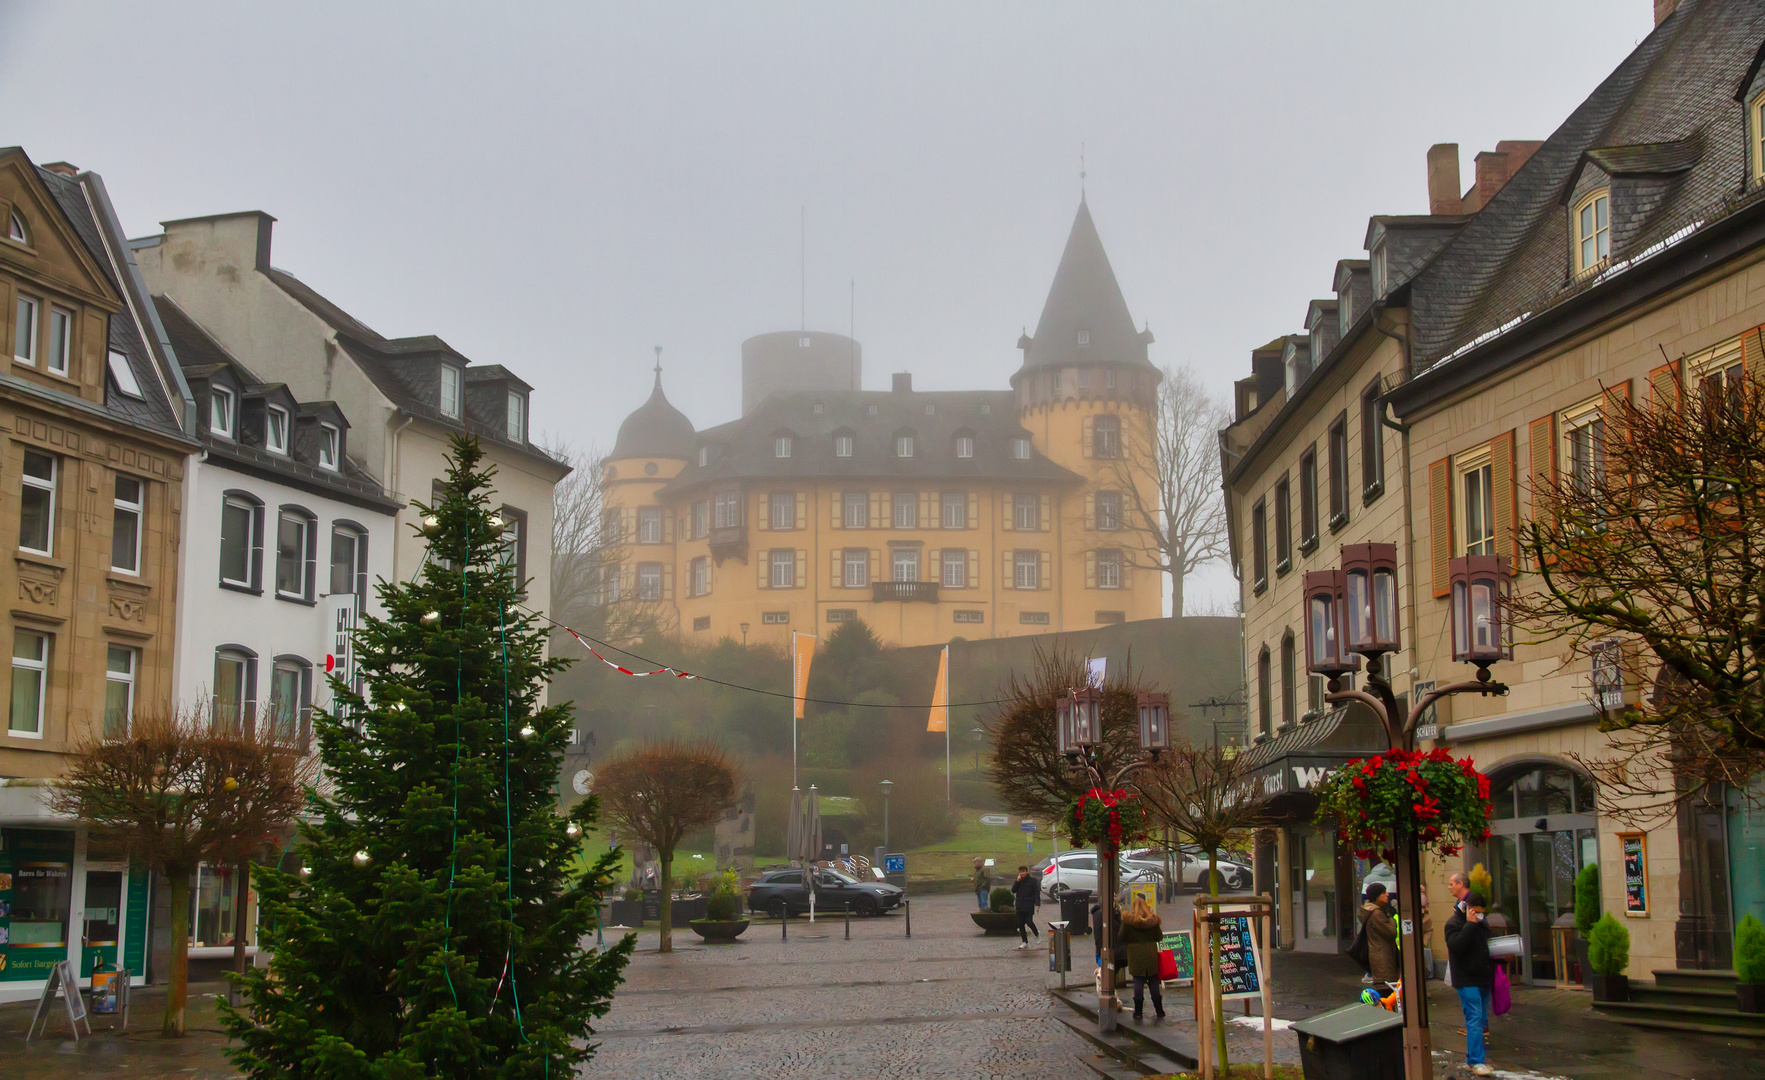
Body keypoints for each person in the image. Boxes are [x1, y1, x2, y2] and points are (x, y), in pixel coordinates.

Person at [1444, 871, 1496, 1077]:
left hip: (1482, 977)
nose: (1480, 915)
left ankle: (1471, 1058)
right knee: (1474, 1018)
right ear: (1467, 910)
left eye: (1482, 913)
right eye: (1476, 912)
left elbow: (1485, 948)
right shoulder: (1453, 924)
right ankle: (1476, 1061)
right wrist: (1470, 925)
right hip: (1466, 979)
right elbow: (1456, 946)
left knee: (1481, 1019)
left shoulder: (1481, 923)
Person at [1120, 894, 1166, 1022]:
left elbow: (1122, 936)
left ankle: (1138, 1012)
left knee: (1138, 981)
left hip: (1135, 955)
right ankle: (1159, 1010)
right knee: (1153, 981)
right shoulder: (1153, 921)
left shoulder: (1128, 921)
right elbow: (1159, 937)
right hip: (1150, 953)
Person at [1361, 882, 1400, 984]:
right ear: (1377, 896)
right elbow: (1391, 933)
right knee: (1386, 989)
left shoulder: (1376, 911)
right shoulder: (1377, 914)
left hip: (1381, 955)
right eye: (1384, 892)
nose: (1387, 894)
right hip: (1382, 958)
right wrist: (1391, 918)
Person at [1011, 865, 1042, 949]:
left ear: (1027, 872)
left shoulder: (1032, 881)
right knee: (1021, 924)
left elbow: (1036, 893)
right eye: (1020, 872)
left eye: (1023, 871)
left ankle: (1037, 934)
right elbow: (1013, 890)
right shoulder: (1019, 881)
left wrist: (1037, 903)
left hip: (1028, 904)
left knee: (1029, 921)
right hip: (1020, 904)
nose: (1022, 873)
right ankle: (1024, 941)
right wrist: (1017, 881)